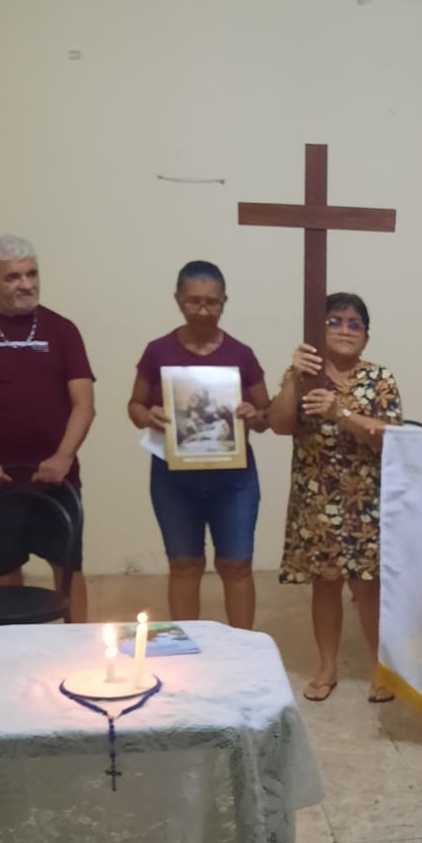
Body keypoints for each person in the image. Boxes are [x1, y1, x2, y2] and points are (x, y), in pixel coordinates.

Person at [0, 235, 95, 622]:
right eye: (12, 277)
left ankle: (77, 643)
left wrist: (63, 457)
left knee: (68, 568)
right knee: (4, 572)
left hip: (56, 478)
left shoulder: (63, 330)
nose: (26, 284)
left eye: (31, 274)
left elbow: (84, 404)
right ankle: (12, 647)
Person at [268, 292, 401, 702]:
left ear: (366, 336)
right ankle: (326, 666)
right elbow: (279, 424)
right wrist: (292, 377)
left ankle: (382, 667)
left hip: (366, 502)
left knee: (369, 588)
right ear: (317, 330)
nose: (345, 330)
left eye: (354, 323)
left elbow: (390, 437)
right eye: (334, 321)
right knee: (325, 585)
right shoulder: (305, 375)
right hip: (316, 500)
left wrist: (339, 413)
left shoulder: (380, 378)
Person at [128, 261, 270, 630]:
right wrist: (148, 415)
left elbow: (266, 416)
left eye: (212, 302)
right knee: (184, 564)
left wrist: (253, 414)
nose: (203, 311)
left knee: (236, 565)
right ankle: (187, 647)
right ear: (178, 300)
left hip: (234, 479)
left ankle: (243, 647)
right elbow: (134, 406)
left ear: (224, 302)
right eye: (194, 301)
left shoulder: (241, 354)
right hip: (173, 477)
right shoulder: (157, 351)